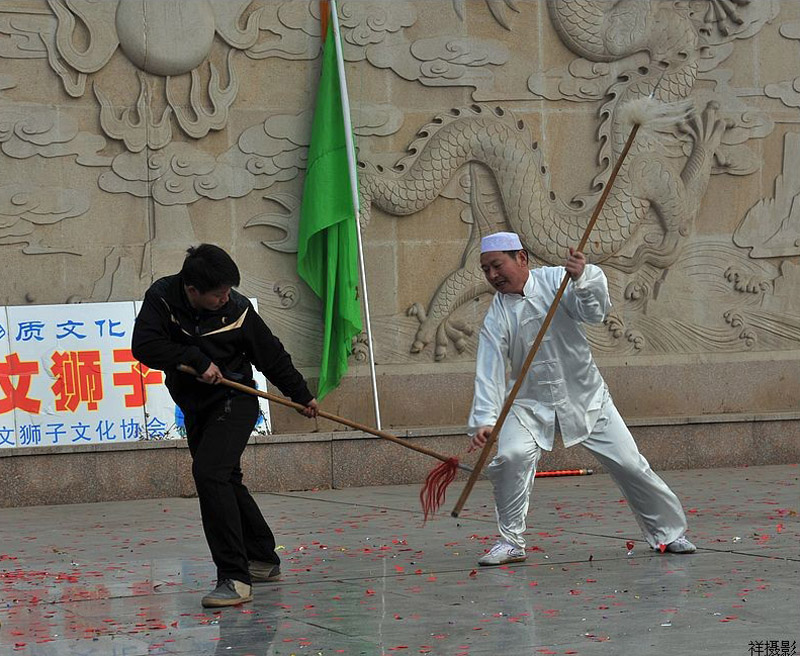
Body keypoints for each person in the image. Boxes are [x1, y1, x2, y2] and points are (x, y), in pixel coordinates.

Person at [468, 232, 695, 566]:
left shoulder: (557, 281)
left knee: (631, 463)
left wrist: (582, 277)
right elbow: (488, 366)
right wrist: (485, 421)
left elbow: (594, 312)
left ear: (522, 258)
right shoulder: (497, 314)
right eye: (486, 269)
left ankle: (669, 533)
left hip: (585, 396)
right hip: (529, 405)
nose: (492, 276)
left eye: (497, 265)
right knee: (512, 456)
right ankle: (511, 542)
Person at [132, 244, 319, 607]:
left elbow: (272, 355)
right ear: (192, 291)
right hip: (195, 404)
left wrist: (300, 395)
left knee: (210, 473)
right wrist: (194, 359)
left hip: (235, 400)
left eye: (229, 291)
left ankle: (235, 577)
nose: (225, 298)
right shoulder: (162, 298)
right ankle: (263, 558)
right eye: (218, 294)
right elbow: (145, 346)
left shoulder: (239, 310)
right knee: (225, 478)